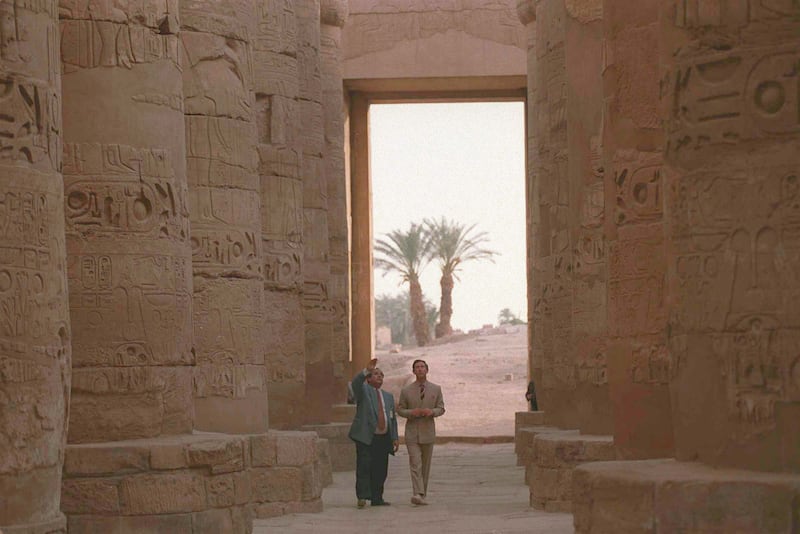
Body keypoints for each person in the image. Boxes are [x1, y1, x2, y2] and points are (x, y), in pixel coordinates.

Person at [348, 358, 399, 508]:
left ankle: (377, 498)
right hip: (366, 437)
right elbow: (356, 383)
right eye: (376, 374)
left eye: (381, 375)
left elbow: (392, 419)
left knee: (381, 468)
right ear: (369, 379)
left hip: (383, 438)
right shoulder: (364, 391)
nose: (379, 376)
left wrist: (394, 437)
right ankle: (362, 496)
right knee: (364, 466)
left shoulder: (388, 396)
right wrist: (367, 370)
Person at [397, 359, 445, 506]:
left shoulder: (436, 389)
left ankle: (422, 493)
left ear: (427, 370)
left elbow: (441, 408)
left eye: (422, 367)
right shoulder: (406, 391)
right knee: (415, 462)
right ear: (413, 371)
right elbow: (400, 409)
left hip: (428, 431)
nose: (420, 369)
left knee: (425, 465)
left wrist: (431, 412)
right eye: (417, 367)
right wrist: (412, 412)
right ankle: (417, 493)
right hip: (412, 432)